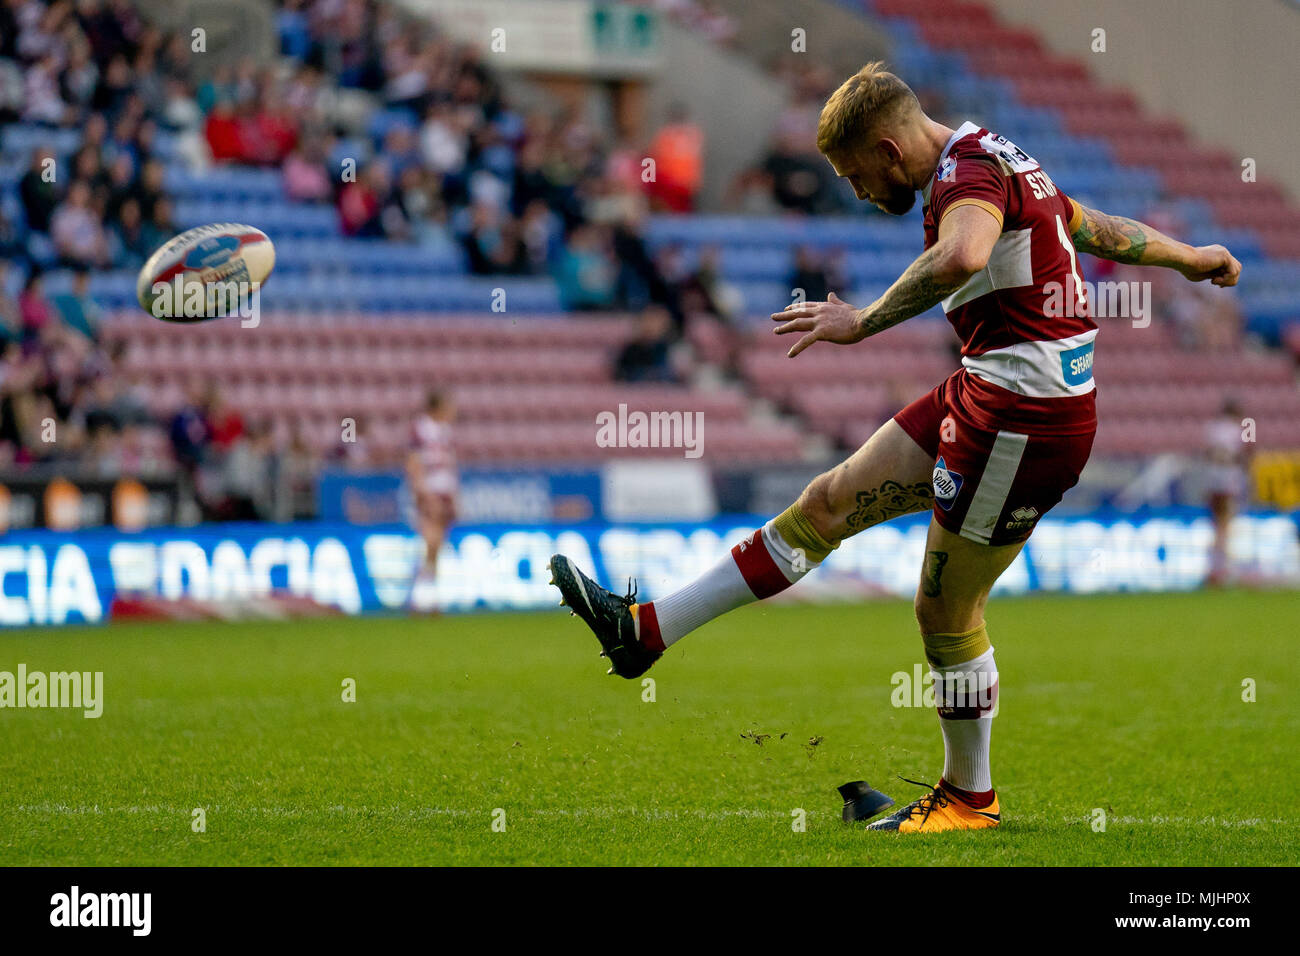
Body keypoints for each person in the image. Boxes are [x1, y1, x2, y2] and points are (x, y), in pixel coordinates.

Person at [548, 63, 1241, 834]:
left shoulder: (965, 174)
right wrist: (1191, 256)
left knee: (945, 609)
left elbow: (963, 256)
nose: (858, 193)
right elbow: (1088, 225)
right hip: (986, 388)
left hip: (1024, 415)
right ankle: (645, 632)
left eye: (854, 175)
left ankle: (969, 800)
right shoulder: (998, 155)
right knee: (828, 502)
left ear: (887, 147)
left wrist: (862, 320)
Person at [407, 390, 458, 612]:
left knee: (436, 547)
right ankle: (420, 598)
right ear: (437, 407)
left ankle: (429, 597)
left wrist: (455, 495)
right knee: (431, 541)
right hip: (430, 491)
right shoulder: (421, 429)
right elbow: (413, 462)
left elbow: (450, 464)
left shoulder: (445, 431)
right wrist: (422, 492)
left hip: (444, 491)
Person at [1204, 399, 1249, 587]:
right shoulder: (1238, 429)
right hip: (1229, 482)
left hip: (1214, 481)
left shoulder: (1212, 428)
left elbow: (1209, 454)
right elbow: (1243, 454)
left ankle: (1215, 568)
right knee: (1225, 527)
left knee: (1217, 526)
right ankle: (1221, 571)